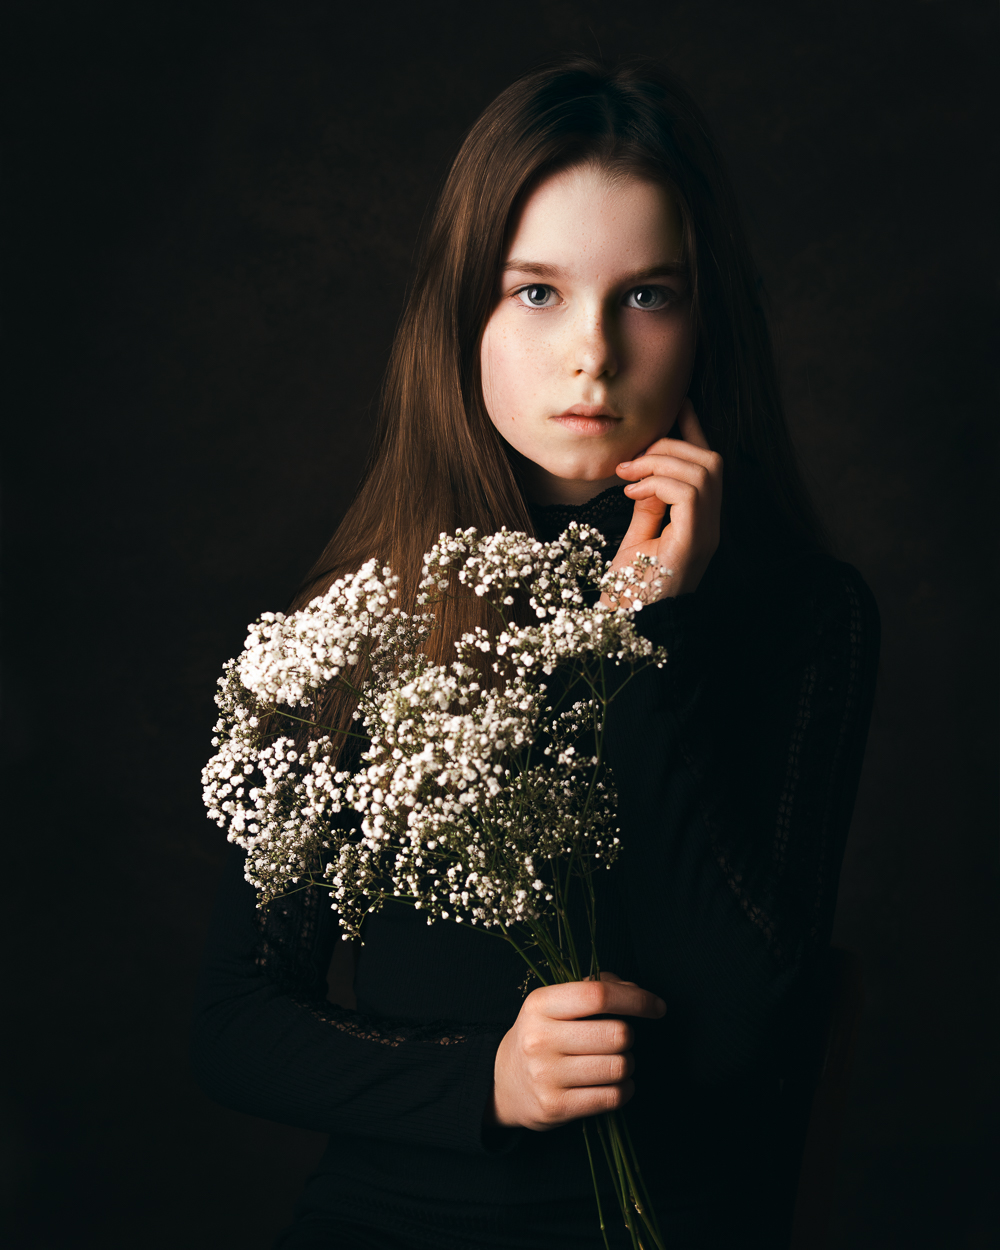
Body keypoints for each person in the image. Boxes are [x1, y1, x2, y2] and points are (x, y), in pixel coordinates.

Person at [192, 57, 879, 1249]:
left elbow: (753, 1024)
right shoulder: (343, 632)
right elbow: (235, 1021)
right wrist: (486, 1081)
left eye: (648, 295)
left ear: (707, 319)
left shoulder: (800, 615)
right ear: (461, 311)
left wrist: (638, 635)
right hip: (394, 1219)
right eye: (537, 293)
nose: (594, 356)